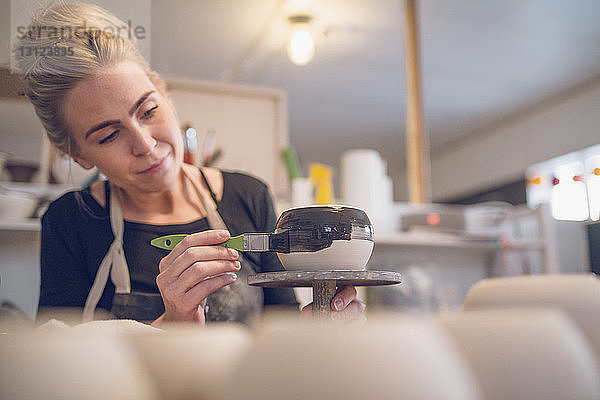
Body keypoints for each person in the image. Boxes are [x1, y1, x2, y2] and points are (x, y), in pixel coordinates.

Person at [14, 3, 365, 326]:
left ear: (163, 92)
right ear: (77, 154)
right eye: (109, 136)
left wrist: (322, 328)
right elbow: (61, 366)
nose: (146, 145)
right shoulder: (70, 221)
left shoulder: (249, 195)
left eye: (148, 111)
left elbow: (281, 333)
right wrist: (170, 324)